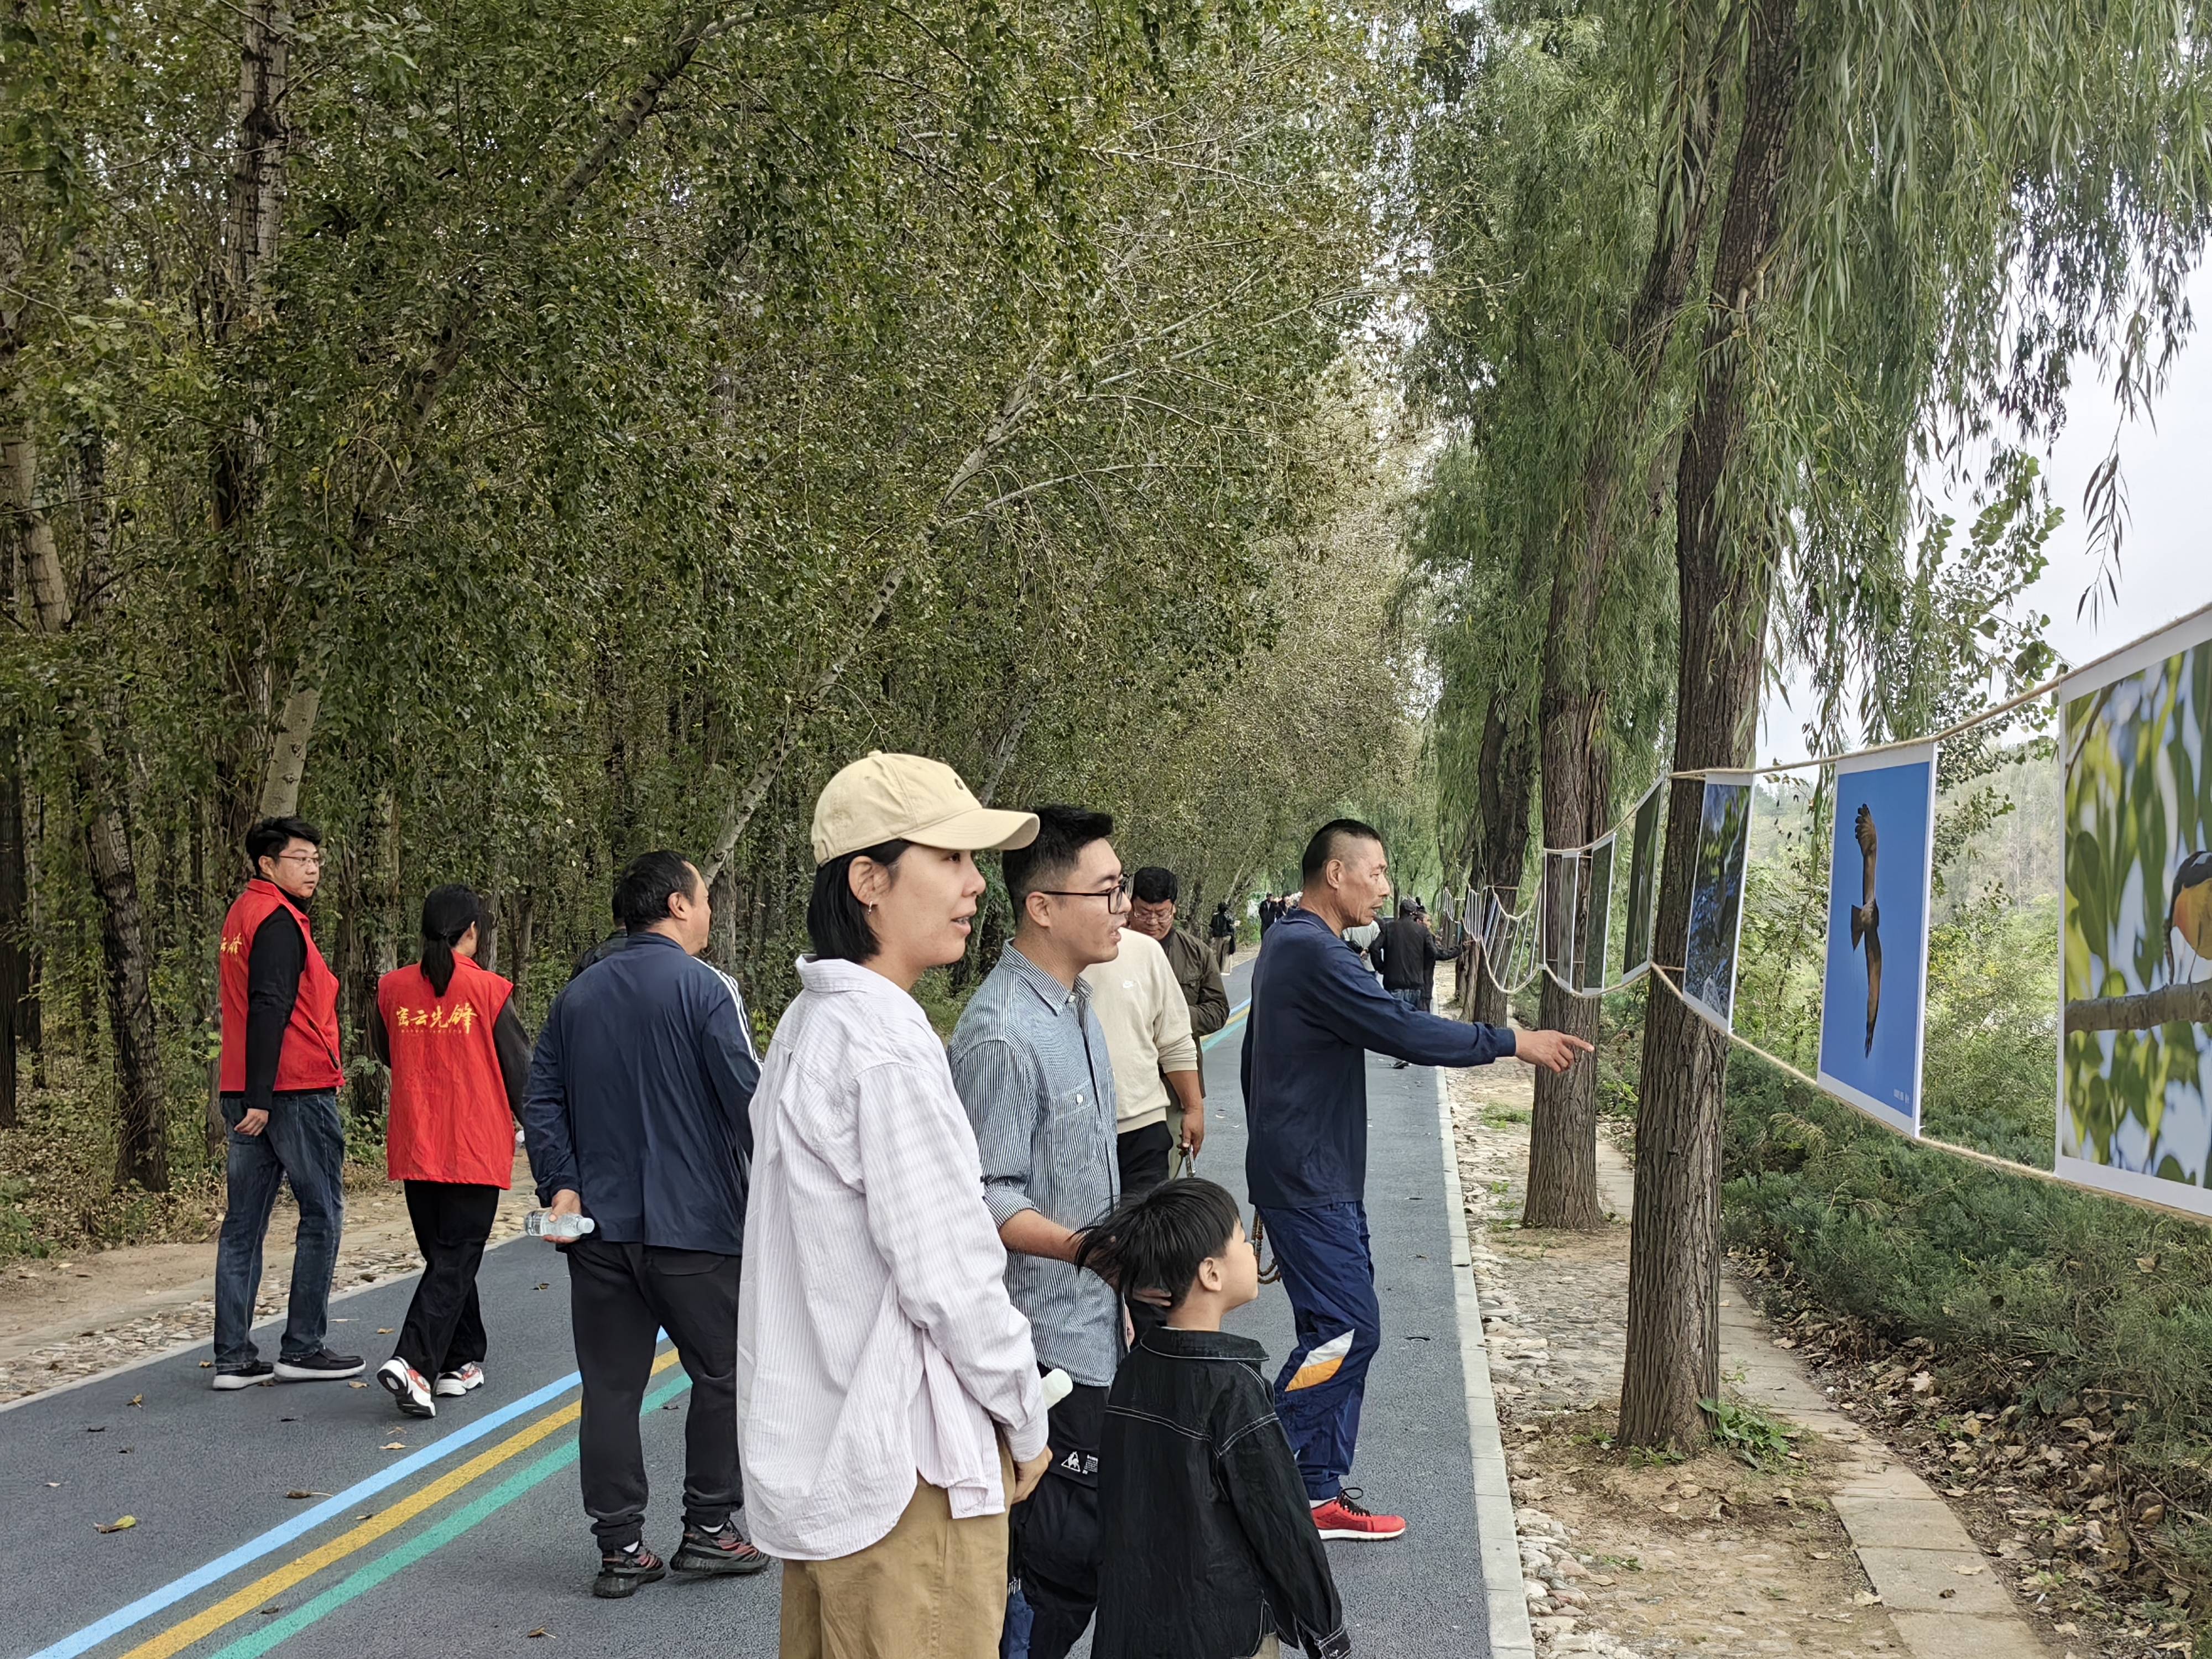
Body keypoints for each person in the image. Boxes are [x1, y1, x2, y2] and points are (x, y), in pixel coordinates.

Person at [739, 752, 1053, 1659]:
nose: (973, 884)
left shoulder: (812, 1025)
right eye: (949, 858)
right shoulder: (884, 1045)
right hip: (909, 1476)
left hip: (837, 1469)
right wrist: (1025, 1417)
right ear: (869, 882)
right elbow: (950, 1272)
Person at [1243, 819, 1592, 1541]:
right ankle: (1247, 1468)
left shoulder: (1288, 942)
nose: (1385, 886)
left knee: (1330, 1331)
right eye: (1375, 871)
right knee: (1349, 1333)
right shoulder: (1312, 951)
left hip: (1309, 1171)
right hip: (1308, 1179)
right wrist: (1511, 1041)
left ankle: (1315, 1491)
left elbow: (1257, 1060)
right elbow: (1401, 1028)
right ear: (1335, 874)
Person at [522, 850, 768, 1597]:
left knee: (610, 1387)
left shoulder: (577, 996)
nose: (710, 910)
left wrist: (562, 1184)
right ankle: (710, 1526)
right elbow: (751, 1102)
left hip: (599, 1228)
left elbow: (541, 1100)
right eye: (704, 897)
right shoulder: (706, 989)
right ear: (677, 904)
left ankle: (621, 1546)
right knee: (723, 1373)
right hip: (696, 1226)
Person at [949, 806, 1126, 1659]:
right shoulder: (1002, 1034)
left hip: (1096, 1327)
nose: (1123, 906)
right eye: (1107, 890)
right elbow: (983, 1198)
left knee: (1079, 1561)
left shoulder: (1076, 1005)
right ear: (1043, 907)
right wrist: (1088, 1252)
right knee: (1054, 1572)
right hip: (1043, 1351)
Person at [1079, 1180, 1349, 1659]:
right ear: (1211, 1273)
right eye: (1243, 1240)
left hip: (1135, 1627)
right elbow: (1282, 1522)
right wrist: (1328, 1634)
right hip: (1226, 1632)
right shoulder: (1234, 1388)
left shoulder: (1135, 1367)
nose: (1252, 1250)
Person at [369, 885, 533, 1417]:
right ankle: (413, 1363)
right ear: (472, 931)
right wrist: (547, 1139)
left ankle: (461, 1360)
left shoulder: (392, 989)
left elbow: (386, 1050)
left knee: (447, 1258)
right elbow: (520, 1073)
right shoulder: (488, 990)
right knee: (455, 1258)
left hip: (418, 1142)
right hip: (472, 1144)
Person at [211, 816, 362, 1389]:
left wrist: (249, 1092)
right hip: (291, 1090)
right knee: (322, 1213)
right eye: (300, 859)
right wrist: (262, 1096)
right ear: (267, 864)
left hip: (245, 1087)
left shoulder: (241, 914)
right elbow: (269, 1005)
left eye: (316, 859)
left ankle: (233, 1359)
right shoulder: (276, 920)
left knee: (243, 1225)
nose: (313, 869)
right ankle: (302, 1347)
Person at [1082, 924, 1201, 1199]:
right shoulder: (1038, 965)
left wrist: (1194, 1108)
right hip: (1071, 1137)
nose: (1124, 905)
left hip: (1143, 1129)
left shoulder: (1145, 951)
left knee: (1148, 1225)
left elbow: (1175, 1041)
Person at [1125, 868, 1228, 1040]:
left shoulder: (1197, 953)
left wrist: (1172, 1016)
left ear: (1174, 909)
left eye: (1161, 914)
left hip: (1179, 1054)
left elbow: (1219, 1010)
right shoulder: (1109, 949)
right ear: (1129, 906)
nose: (1152, 922)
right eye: (1143, 913)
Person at [1370, 898, 1465, 1062]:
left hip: (1393, 982)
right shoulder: (1422, 932)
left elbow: (1374, 948)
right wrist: (1460, 949)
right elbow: (1436, 954)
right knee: (1411, 1020)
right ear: (1413, 913)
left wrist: (1381, 967)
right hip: (1416, 983)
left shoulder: (1389, 928)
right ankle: (1408, 1052)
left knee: (1396, 1019)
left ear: (1400, 912)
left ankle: (1400, 1054)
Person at [1209, 900, 1236, 969]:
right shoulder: (1228, 917)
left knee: (1218, 953)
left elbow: (1212, 926)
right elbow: (1231, 926)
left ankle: (1218, 968)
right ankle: (1225, 969)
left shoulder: (1215, 917)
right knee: (1226, 953)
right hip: (1227, 937)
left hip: (1218, 937)